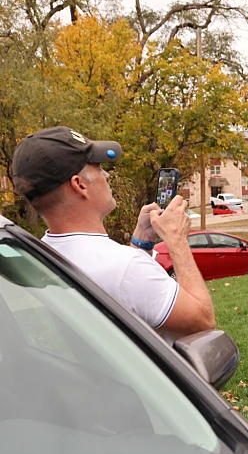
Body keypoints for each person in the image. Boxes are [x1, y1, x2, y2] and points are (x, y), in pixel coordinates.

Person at [11, 126, 215, 342]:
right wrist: (176, 239)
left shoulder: (40, 256)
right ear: (79, 185)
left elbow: (122, 291)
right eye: (98, 167)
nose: (106, 174)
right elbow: (203, 321)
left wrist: (141, 242)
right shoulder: (126, 268)